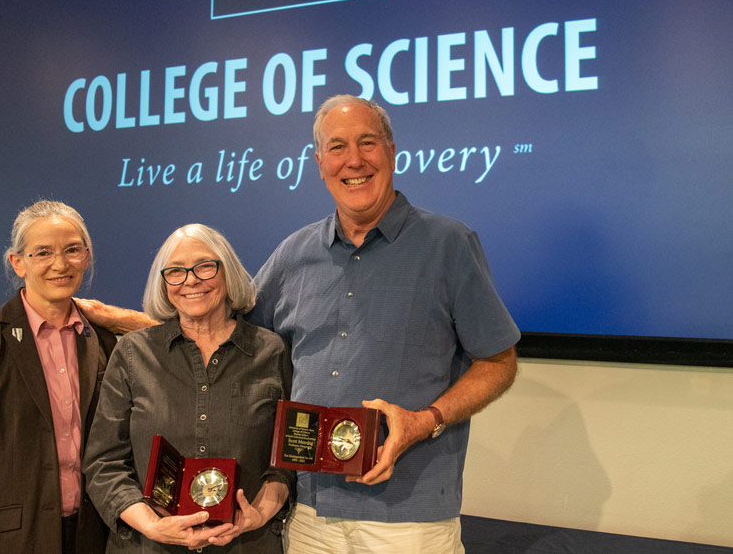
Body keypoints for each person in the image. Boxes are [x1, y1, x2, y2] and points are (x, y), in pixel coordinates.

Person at [247, 95, 520, 553]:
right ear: (319, 164)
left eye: (367, 143)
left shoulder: (449, 245)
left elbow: (499, 362)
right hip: (310, 513)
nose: (353, 160)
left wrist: (423, 422)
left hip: (409, 520)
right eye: (337, 148)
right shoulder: (293, 254)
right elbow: (232, 338)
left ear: (392, 151)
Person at [0, 200, 154, 554]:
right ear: (18, 263)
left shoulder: (102, 340)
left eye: (72, 250)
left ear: (87, 256)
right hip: (16, 539)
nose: (60, 264)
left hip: (92, 533)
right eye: (43, 253)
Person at [82, 224, 294, 553]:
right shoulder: (133, 354)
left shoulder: (272, 352)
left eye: (205, 266)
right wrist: (152, 524)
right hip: (149, 546)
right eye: (176, 271)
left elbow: (288, 462)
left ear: (228, 273)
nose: (191, 280)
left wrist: (259, 514)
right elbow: (103, 463)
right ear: (163, 283)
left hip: (246, 545)